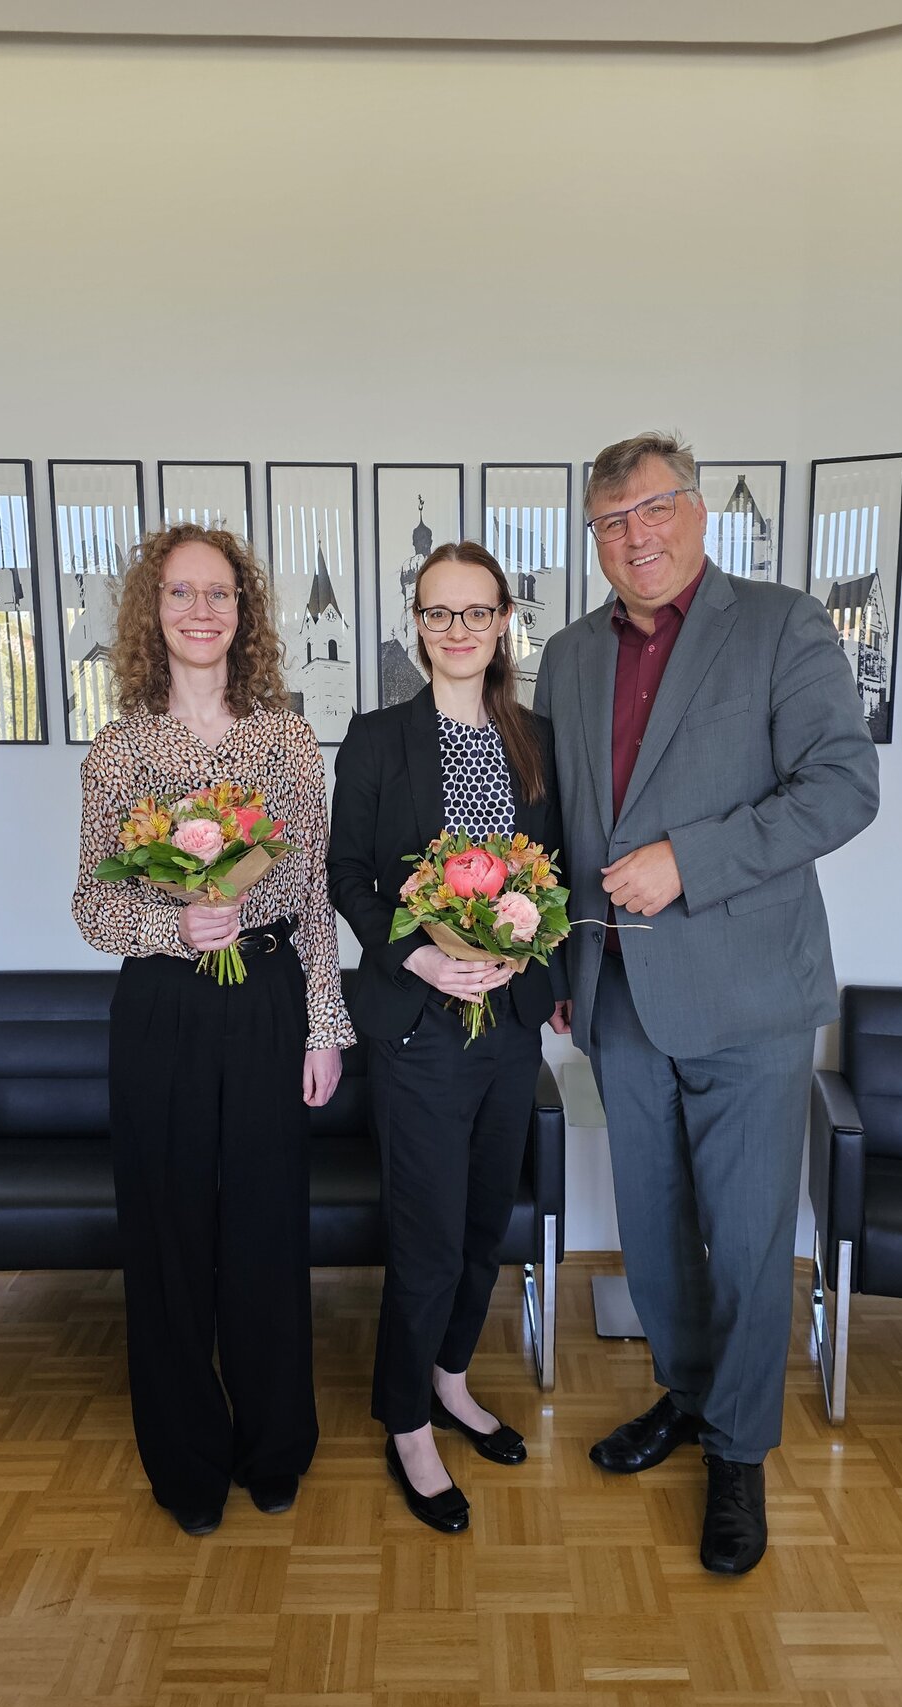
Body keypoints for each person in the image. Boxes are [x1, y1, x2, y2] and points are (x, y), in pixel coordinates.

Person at [535, 433, 879, 1575]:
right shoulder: (571, 655)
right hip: (618, 993)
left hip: (747, 993)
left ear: (693, 511)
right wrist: (548, 961)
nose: (632, 537)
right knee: (651, 1231)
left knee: (741, 1240)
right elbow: (565, 828)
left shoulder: (780, 626)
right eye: (608, 522)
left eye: (650, 510)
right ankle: (684, 1397)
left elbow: (840, 786)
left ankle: (737, 1454)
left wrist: (692, 858)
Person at [72, 522, 353, 1537]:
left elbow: (313, 890)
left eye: (221, 593)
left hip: (270, 998)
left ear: (245, 613)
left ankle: (275, 1444)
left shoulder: (282, 739)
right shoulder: (119, 750)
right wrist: (172, 921)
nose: (203, 610)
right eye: (183, 593)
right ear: (154, 610)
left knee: (269, 1230)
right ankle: (186, 1461)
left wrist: (324, 1027)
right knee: (169, 1235)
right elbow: (91, 909)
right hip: (160, 1008)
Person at [328, 541, 565, 1534]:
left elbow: (555, 874)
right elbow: (344, 875)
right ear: (416, 624)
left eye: (475, 612)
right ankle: (407, 1425)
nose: (457, 630)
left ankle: (451, 1379)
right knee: (424, 1241)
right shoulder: (377, 737)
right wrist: (417, 959)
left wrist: (531, 966)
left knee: (480, 1233)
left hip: (507, 1027)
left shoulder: (537, 739)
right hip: (417, 1027)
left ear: (504, 620)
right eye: (438, 613)